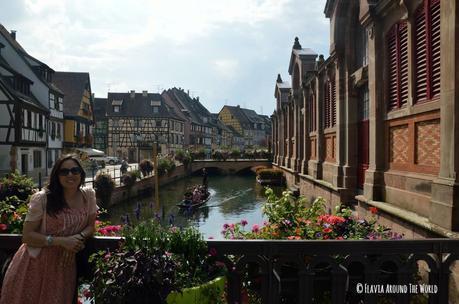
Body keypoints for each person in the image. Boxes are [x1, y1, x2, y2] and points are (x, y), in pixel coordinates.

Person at [0, 154, 98, 304]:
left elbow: (91, 226)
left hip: (64, 266)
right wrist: (62, 242)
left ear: (81, 173)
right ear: (56, 176)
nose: (70, 174)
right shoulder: (42, 198)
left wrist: (77, 238)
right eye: (64, 172)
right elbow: (27, 236)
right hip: (35, 263)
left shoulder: (88, 196)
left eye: (75, 170)